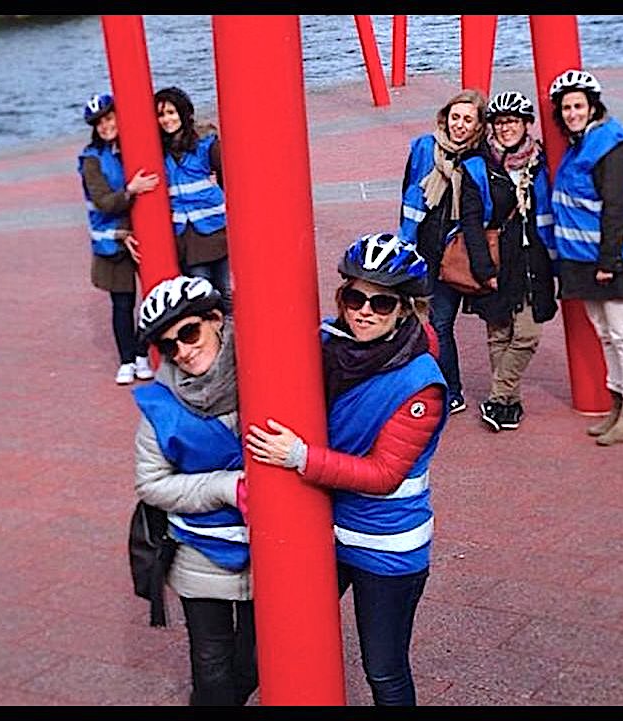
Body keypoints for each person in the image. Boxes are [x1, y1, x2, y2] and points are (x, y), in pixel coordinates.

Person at [245, 233, 447, 706]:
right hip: (324, 526)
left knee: (383, 669)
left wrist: (301, 458)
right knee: (274, 639)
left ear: (404, 310)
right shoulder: (329, 342)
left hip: (386, 544)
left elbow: (384, 474)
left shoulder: (421, 383)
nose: (364, 311)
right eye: (355, 297)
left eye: (381, 303)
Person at [132, 275, 256, 705]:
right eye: (169, 346)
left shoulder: (264, 368)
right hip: (200, 552)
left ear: (216, 320)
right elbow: (151, 482)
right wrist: (224, 486)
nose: (183, 351)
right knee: (211, 662)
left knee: (258, 657)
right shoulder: (159, 408)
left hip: (274, 547)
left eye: (189, 333)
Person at [548, 69, 623, 446]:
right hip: (582, 258)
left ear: (593, 106)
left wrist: (609, 261)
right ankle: (618, 406)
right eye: (566, 108)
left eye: (578, 105)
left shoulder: (609, 143)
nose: (572, 113)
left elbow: (615, 206)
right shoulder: (582, 144)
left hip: (611, 259)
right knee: (606, 334)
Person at [456, 90, 559, 432]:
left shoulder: (542, 161)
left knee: (527, 334)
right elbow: (471, 223)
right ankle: (509, 405)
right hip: (498, 260)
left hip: (534, 260)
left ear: (527, 124)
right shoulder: (478, 167)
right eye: (499, 123)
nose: (506, 128)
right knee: (499, 333)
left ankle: (498, 397)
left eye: (513, 122)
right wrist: (484, 269)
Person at [398, 88, 488, 416]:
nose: (459, 125)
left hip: (456, 253)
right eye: (455, 117)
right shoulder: (424, 147)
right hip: (424, 251)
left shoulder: (480, 159)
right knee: (428, 322)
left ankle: (451, 389)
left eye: (467, 119)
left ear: (478, 125)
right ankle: (436, 385)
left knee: (441, 322)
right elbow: (408, 193)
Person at [77, 91, 161, 385]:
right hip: (110, 240)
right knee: (122, 303)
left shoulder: (133, 147)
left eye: (109, 118)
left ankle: (141, 352)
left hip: (139, 234)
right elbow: (103, 202)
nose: (105, 126)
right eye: (99, 122)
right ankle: (127, 359)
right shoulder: (91, 159)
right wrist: (131, 190)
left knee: (153, 297)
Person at [155, 86, 232, 308]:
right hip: (186, 235)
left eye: (171, 112)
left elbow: (228, 176)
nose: (167, 119)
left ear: (183, 112)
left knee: (227, 290)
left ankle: (232, 339)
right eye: (161, 114)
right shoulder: (157, 150)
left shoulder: (205, 143)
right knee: (202, 292)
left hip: (216, 227)